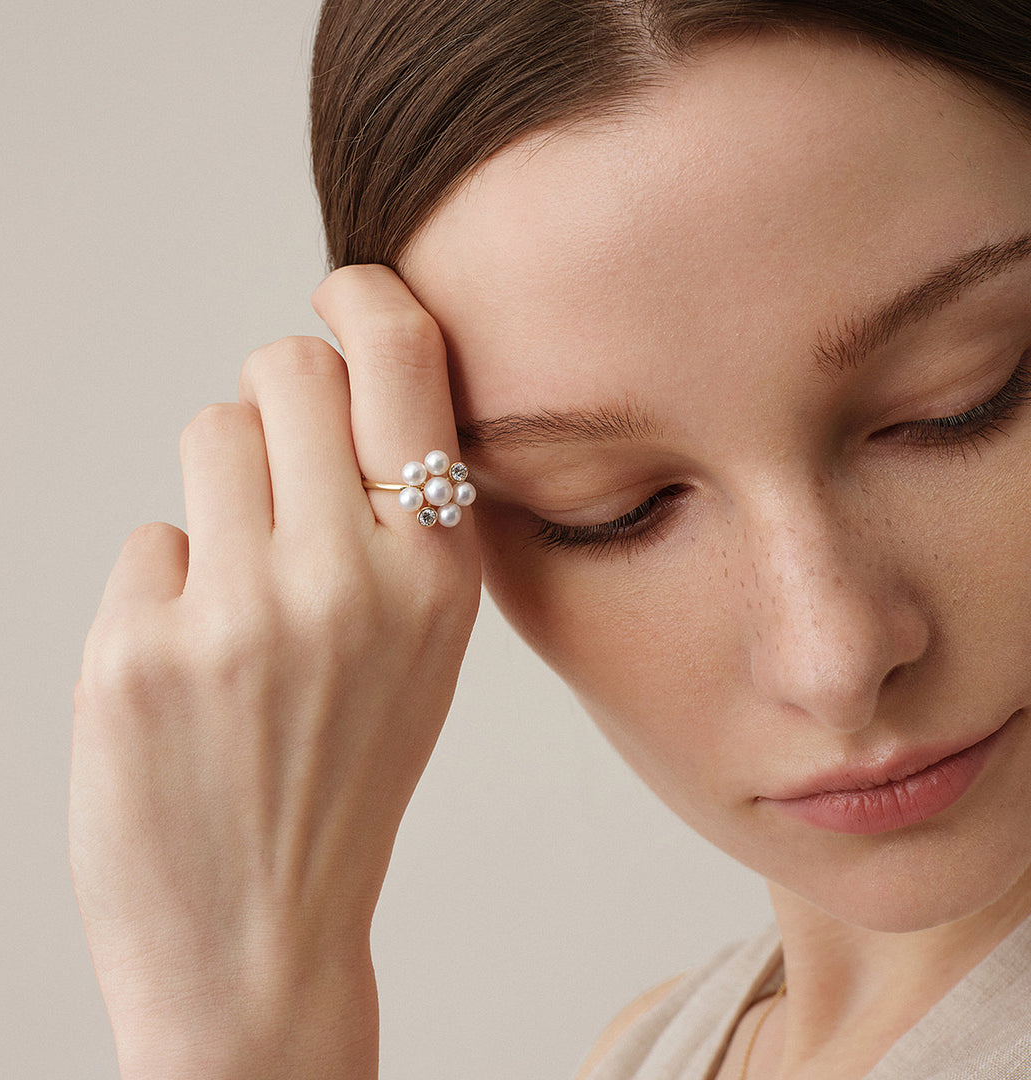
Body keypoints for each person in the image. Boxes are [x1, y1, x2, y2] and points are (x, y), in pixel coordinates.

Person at [68, 1, 1031, 1077]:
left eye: (960, 403)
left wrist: (250, 1027)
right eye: (609, 508)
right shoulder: (656, 1047)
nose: (837, 658)